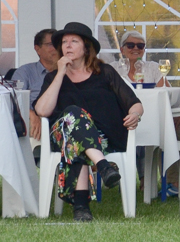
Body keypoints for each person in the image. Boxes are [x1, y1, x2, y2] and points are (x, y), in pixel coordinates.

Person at [33, 22, 143, 222]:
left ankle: (81, 207)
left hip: (101, 138)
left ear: (86, 48)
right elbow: (42, 110)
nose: (67, 45)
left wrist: (135, 114)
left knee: (78, 141)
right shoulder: (53, 77)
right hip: (62, 136)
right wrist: (60, 73)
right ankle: (103, 165)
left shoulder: (105, 72)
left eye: (74, 41)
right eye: (64, 42)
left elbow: (134, 103)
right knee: (74, 114)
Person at [10, 28, 58, 140]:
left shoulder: (69, 71)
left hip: (63, 117)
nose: (56, 48)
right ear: (37, 49)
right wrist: (31, 114)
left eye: (58, 44)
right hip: (36, 117)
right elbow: (14, 98)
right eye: (51, 44)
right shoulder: (25, 71)